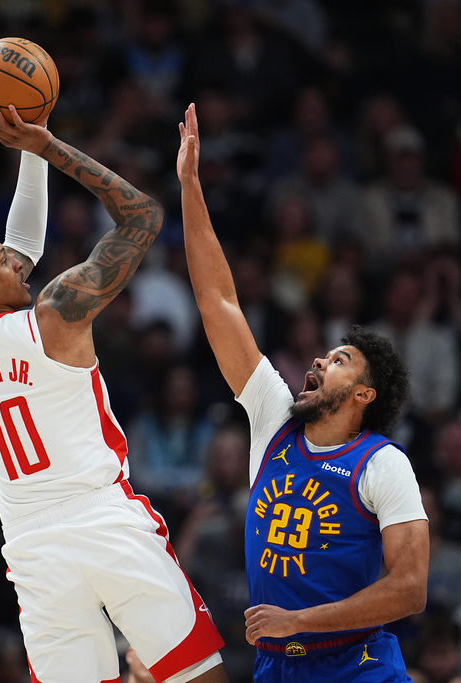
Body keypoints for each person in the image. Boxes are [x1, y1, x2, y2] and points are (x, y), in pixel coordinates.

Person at [0, 103, 227, 683]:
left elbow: (15, 252)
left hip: (32, 551)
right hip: (104, 521)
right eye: (0, 260)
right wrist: (50, 146)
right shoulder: (54, 316)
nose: (16, 259)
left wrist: (27, 153)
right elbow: (142, 216)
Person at [177, 102, 429, 681]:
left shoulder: (383, 464)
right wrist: (190, 185)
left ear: (365, 394)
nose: (319, 359)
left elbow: (411, 589)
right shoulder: (273, 416)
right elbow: (219, 302)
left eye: (340, 360)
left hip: (357, 665)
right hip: (277, 666)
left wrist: (302, 622)